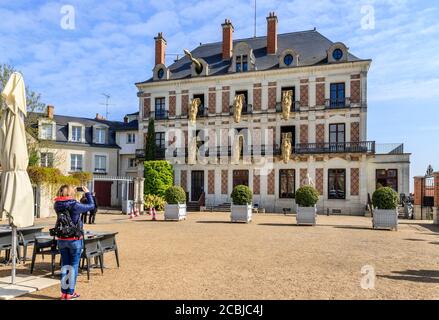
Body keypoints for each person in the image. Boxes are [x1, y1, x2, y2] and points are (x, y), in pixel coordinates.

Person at [54, 185, 95, 300]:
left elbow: (66, 202)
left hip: (62, 239)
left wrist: (72, 193)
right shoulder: (75, 205)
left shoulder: (57, 205)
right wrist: (88, 193)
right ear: (71, 193)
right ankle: (70, 293)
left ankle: (64, 293)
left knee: (65, 266)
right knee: (74, 266)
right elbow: (91, 206)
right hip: (74, 239)